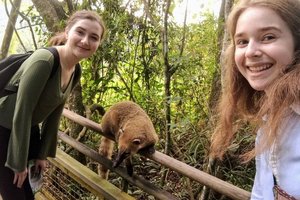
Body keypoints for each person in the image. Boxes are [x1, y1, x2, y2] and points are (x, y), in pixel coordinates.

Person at [0, 10, 106, 199]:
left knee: (28, 193)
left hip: (27, 131)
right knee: (13, 194)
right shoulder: (45, 60)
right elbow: (22, 111)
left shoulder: (75, 69)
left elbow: (56, 111)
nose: (85, 41)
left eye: (94, 37)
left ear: (99, 43)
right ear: (67, 31)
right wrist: (18, 162)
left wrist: (42, 154)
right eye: (80, 32)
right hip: (4, 130)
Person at [209, 0, 300, 199]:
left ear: (296, 42)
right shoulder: (268, 122)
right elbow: (261, 193)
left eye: (268, 37)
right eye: (242, 41)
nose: (250, 51)